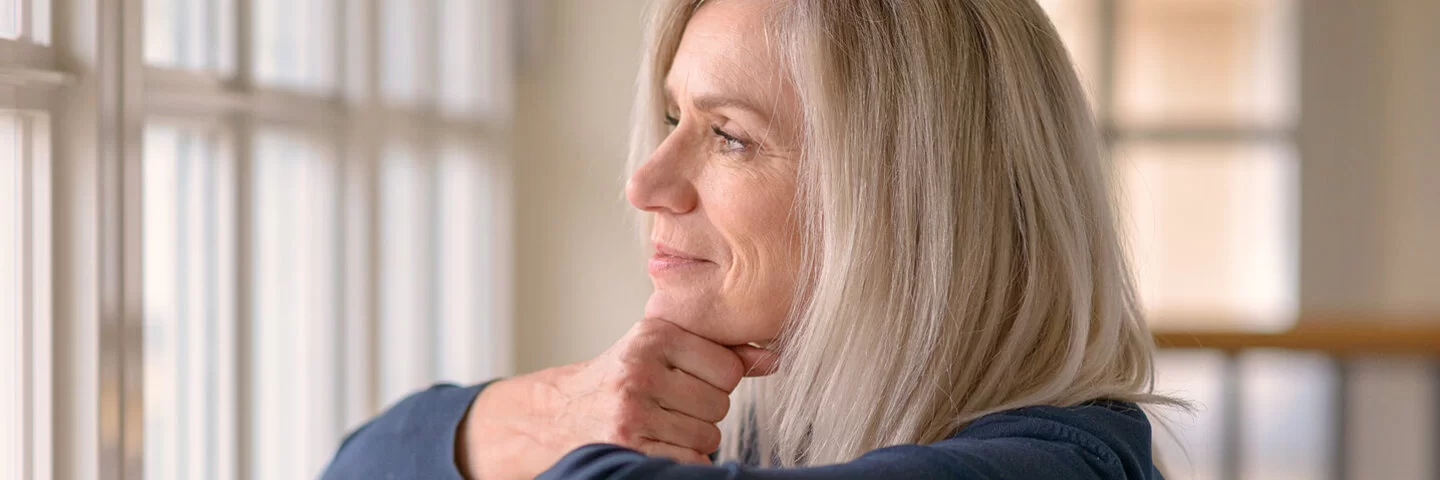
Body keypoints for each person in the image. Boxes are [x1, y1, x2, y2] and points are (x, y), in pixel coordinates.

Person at [322, 0, 1183, 478]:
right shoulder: (778, 438)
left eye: (728, 135)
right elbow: (358, 469)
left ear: (906, 201)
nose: (646, 182)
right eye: (671, 116)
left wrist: (579, 440)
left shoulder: (1058, 472)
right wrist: (564, 412)